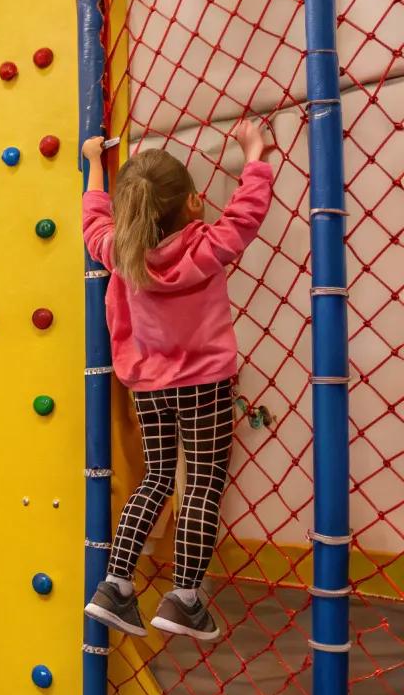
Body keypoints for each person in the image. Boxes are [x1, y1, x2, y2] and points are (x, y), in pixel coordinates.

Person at [82, 120, 274, 642]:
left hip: (147, 384)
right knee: (203, 485)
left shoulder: (118, 253)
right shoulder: (206, 248)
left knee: (157, 478)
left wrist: (95, 164)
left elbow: (93, 219)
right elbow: (247, 211)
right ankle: (184, 598)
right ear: (193, 203)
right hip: (204, 382)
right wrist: (254, 152)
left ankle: (115, 585)